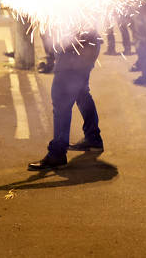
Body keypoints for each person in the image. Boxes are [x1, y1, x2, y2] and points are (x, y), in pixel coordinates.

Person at [28, 31, 103, 170]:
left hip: (73, 53)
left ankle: (57, 154)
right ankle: (93, 138)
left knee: (61, 102)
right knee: (81, 93)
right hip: (86, 48)